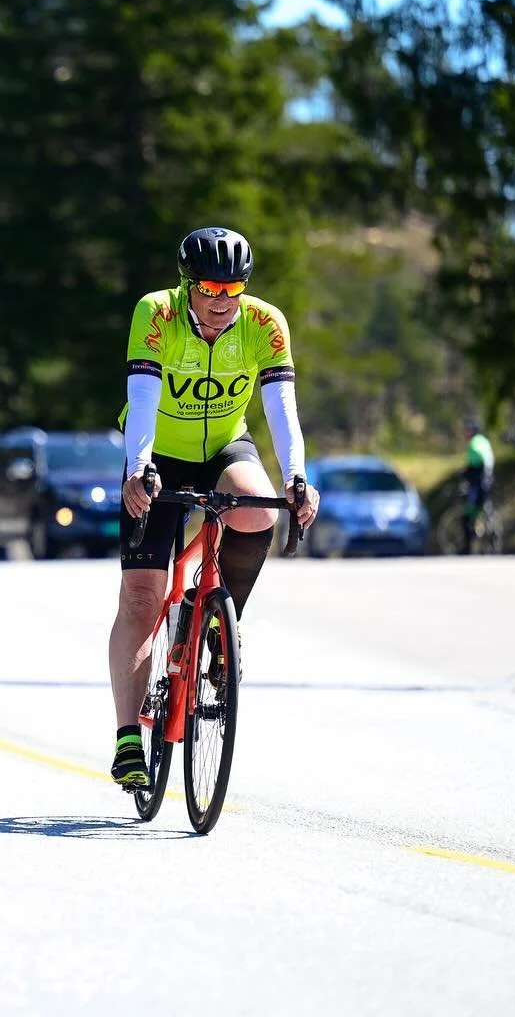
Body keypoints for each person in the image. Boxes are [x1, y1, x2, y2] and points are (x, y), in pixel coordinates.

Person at [109, 227, 320, 788]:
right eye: (209, 288)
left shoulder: (264, 322)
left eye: (234, 289)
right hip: (158, 451)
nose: (222, 301)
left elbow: (281, 407)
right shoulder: (156, 313)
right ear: (187, 284)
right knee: (141, 597)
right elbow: (143, 398)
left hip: (224, 446)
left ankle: (222, 628)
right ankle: (129, 736)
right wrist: (139, 468)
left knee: (259, 509)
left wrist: (298, 477)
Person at [462, 417, 495, 554]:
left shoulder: (474, 443)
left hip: (477, 483)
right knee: (484, 511)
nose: (466, 433)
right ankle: (490, 538)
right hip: (488, 480)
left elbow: (474, 463)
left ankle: (467, 547)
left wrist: (465, 471)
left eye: (468, 430)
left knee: (468, 514)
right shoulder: (484, 441)